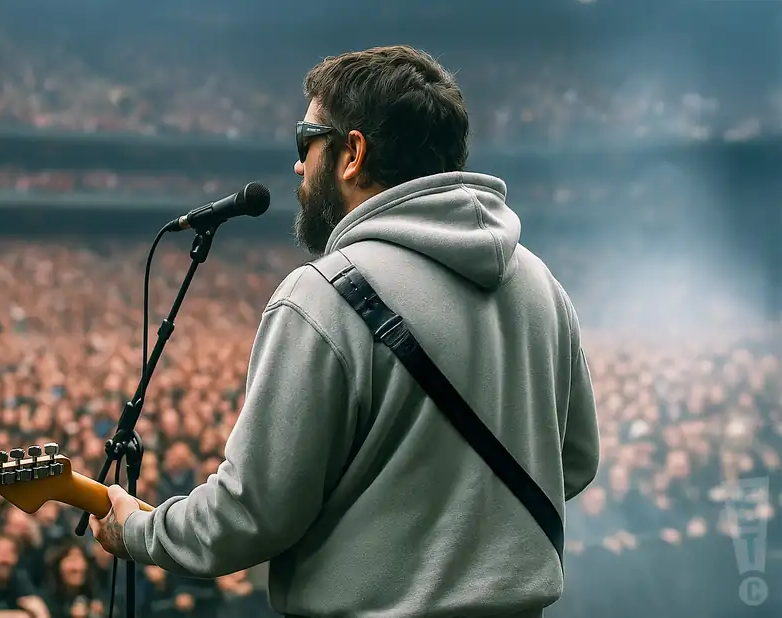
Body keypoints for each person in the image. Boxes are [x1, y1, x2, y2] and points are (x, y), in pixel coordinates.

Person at [89, 44, 600, 617]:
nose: (297, 165)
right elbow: (575, 461)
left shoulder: (324, 294)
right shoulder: (540, 282)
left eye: (305, 140)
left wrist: (139, 529)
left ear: (352, 152)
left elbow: (252, 513)